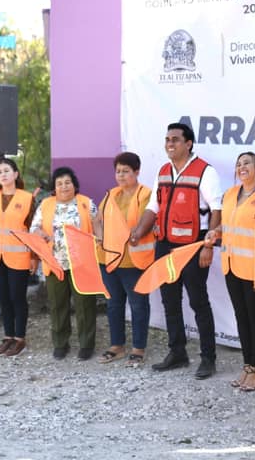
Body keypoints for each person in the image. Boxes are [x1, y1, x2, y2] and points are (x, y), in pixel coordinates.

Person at [130, 122, 223, 379]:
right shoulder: (162, 171)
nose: (169, 144)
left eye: (175, 139)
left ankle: (208, 358)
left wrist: (209, 246)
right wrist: (139, 230)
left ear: (188, 143)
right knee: (170, 301)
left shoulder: (205, 171)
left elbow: (217, 209)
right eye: (167, 139)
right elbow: (153, 207)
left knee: (198, 302)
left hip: (194, 246)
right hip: (166, 245)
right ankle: (178, 353)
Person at [204, 152, 255, 390]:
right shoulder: (230, 194)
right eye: (238, 164)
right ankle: (247, 365)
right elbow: (226, 225)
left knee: (254, 316)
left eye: (247, 162)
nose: (241, 167)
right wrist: (215, 232)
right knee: (241, 315)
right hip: (231, 265)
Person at [93, 152, 156, 368]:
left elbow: (148, 222)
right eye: (118, 171)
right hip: (109, 259)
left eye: (125, 171)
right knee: (114, 304)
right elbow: (97, 219)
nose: (120, 175)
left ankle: (138, 349)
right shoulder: (111, 194)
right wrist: (100, 235)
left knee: (139, 305)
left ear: (136, 172)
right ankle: (116, 346)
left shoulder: (146, 194)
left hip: (135, 261)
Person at [32, 166, 98, 360]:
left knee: (85, 305)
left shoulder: (86, 203)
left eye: (67, 182)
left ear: (74, 184)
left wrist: (100, 241)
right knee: (57, 305)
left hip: (82, 263)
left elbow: (99, 225)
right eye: (59, 183)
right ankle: (60, 343)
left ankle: (86, 345)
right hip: (55, 263)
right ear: (54, 187)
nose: (64, 186)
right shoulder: (45, 204)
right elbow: (34, 227)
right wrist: (40, 233)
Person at [0, 158, 36, 357]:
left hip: (19, 257)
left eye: (6, 170)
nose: (2, 174)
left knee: (17, 298)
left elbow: (33, 231)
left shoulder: (27, 198)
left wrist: (35, 257)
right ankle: (8, 336)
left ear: (16, 174)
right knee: (3, 298)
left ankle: (20, 339)